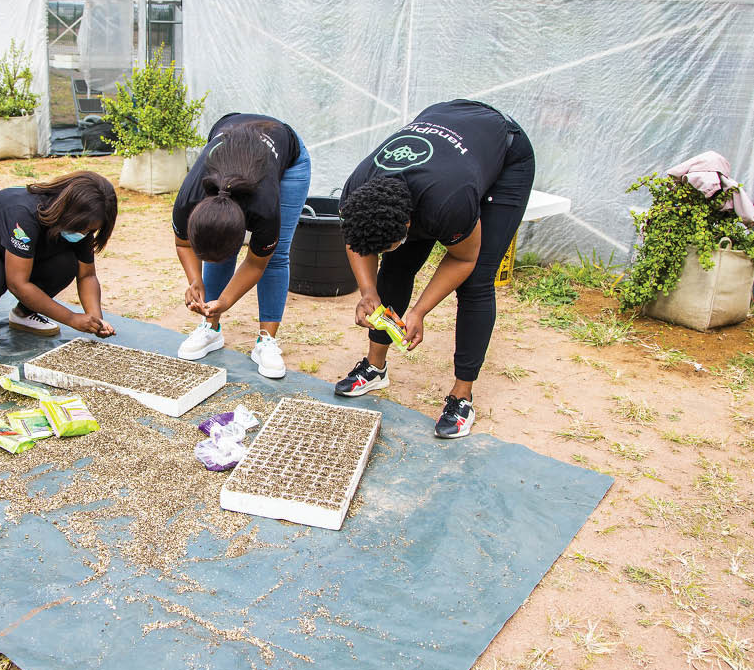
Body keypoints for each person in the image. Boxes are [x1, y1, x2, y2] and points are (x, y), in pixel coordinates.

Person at [335, 99, 535, 438]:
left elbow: (464, 258)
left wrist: (420, 311)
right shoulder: (358, 191)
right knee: (396, 266)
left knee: (476, 282)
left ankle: (462, 397)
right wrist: (368, 292)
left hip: (505, 151)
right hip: (447, 124)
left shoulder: (448, 202)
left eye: (392, 240)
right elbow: (358, 242)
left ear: (409, 222)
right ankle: (375, 367)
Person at [172, 113, 311, 379]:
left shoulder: (264, 209)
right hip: (232, 132)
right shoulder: (188, 201)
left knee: (276, 254)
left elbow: (258, 261)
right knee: (219, 254)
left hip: (286, 153)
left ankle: (265, 341)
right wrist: (194, 280)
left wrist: (225, 300)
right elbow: (182, 243)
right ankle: (210, 329)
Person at [0, 171, 117, 348]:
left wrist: (96, 319)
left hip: (7, 256)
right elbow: (17, 283)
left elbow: (87, 275)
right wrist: (71, 318)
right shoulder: (23, 211)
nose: (84, 234)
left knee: (66, 264)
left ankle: (23, 314)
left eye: (90, 230)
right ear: (69, 213)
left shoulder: (82, 222)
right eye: (83, 229)